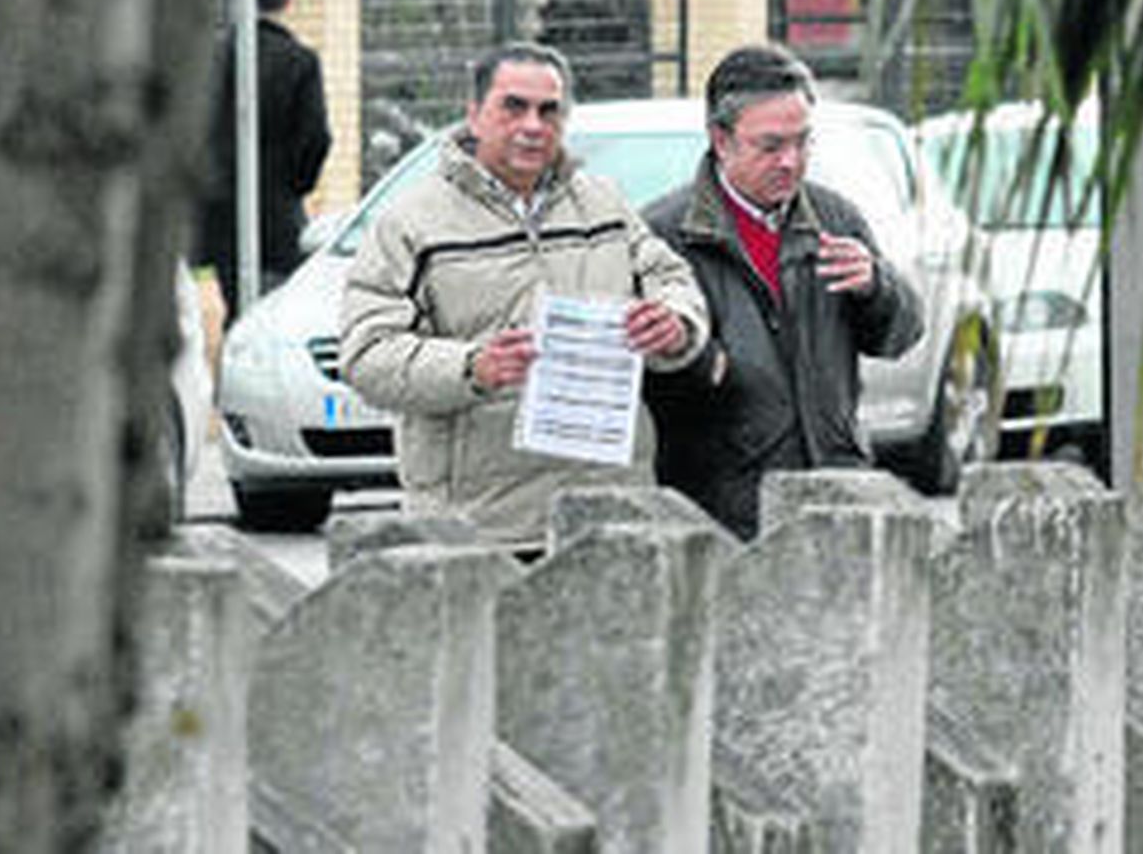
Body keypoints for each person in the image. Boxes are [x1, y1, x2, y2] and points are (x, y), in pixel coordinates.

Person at [339, 42, 710, 546]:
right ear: (474, 116)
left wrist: (674, 326)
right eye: (513, 107)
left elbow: (672, 280)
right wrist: (471, 368)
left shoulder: (602, 203)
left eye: (549, 110)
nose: (533, 125)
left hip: (608, 514)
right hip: (479, 528)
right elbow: (366, 355)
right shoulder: (410, 223)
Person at [642, 44, 924, 540]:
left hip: (837, 491)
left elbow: (900, 337)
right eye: (771, 146)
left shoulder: (835, 218)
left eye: (803, 142)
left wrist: (877, 287)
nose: (791, 162)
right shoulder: (664, 235)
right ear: (720, 140)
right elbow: (650, 388)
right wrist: (696, 356)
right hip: (724, 511)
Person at [198, 0, 332, 319]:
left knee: (233, 302)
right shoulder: (299, 61)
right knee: (277, 307)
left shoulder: (210, 57)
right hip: (277, 209)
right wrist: (296, 184)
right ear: (287, 1)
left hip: (218, 206)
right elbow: (316, 138)